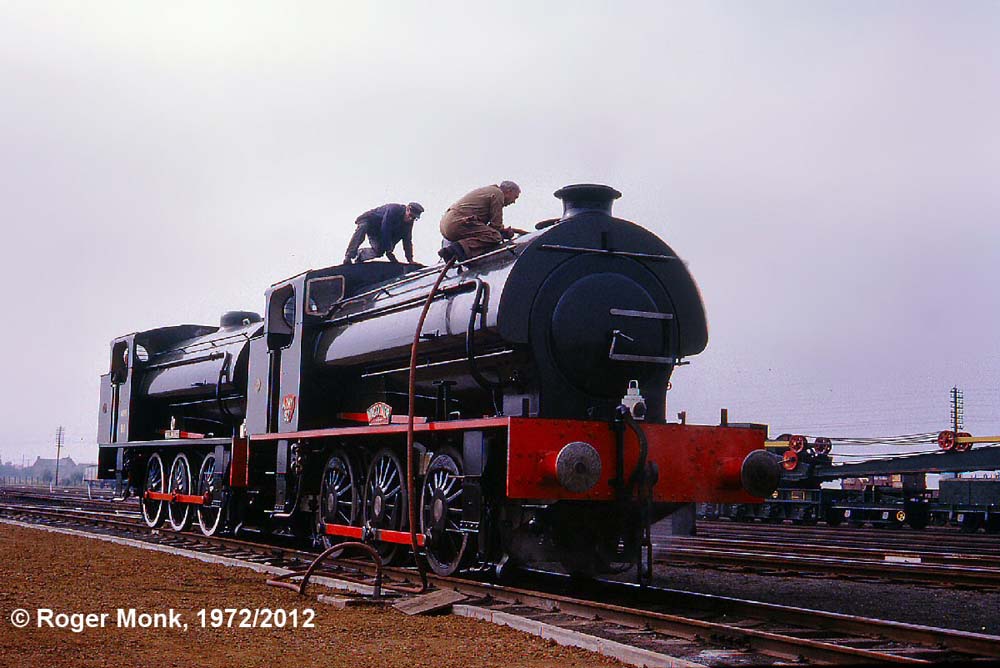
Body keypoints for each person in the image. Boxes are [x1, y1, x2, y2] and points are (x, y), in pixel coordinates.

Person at [438, 181, 528, 261]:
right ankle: (457, 250)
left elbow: (489, 227)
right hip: (458, 222)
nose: (514, 202)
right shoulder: (498, 193)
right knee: (495, 236)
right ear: (509, 191)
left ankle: (456, 251)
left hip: (448, 224)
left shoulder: (488, 191)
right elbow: (496, 225)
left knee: (492, 234)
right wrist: (503, 233)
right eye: (515, 197)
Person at [344, 202, 424, 264]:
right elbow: (386, 228)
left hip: (378, 231)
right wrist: (389, 250)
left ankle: (360, 256)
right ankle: (349, 255)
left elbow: (407, 241)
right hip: (370, 221)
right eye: (410, 215)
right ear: (407, 209)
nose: (410, 219)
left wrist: (410, 260)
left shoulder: (408, 224)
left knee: (379, 251)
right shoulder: (394, 209)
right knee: (362, 228)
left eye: (413, 218)